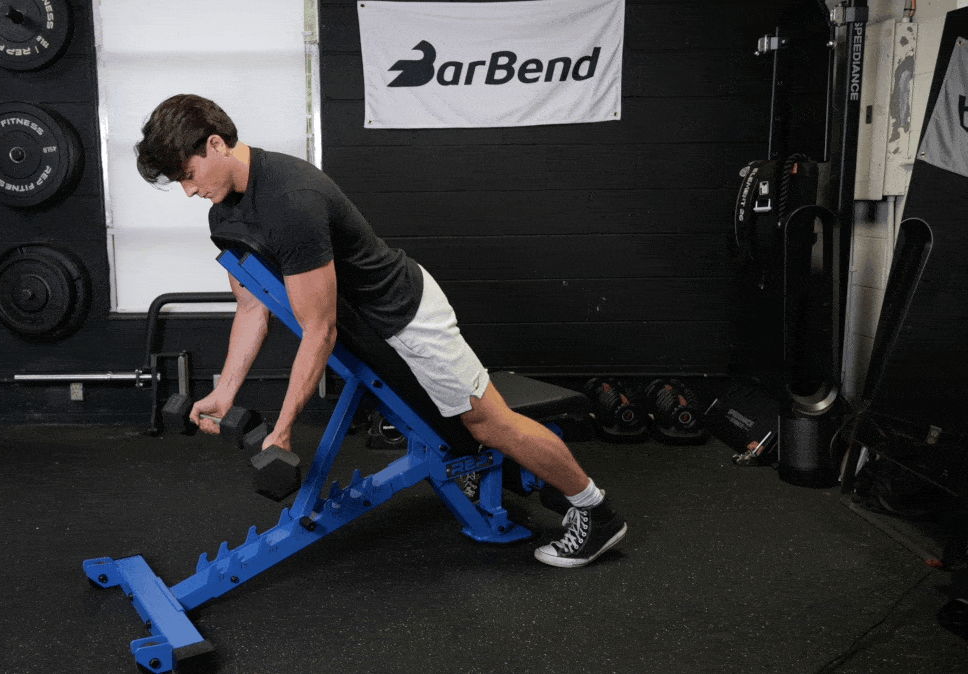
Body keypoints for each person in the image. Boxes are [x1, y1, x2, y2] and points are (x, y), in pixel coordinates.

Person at [135, 94, 626, 568]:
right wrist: (225, 389)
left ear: (216, 144)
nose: (189, 191)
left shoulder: (290, 200)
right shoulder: (224, 215)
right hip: (365, 323)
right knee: (447, 423)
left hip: (406, 313)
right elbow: (250, 309)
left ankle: (595, 511)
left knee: (488, 422)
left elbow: (319, 330)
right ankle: (486, 472)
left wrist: (283, 431)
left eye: (189, 175)